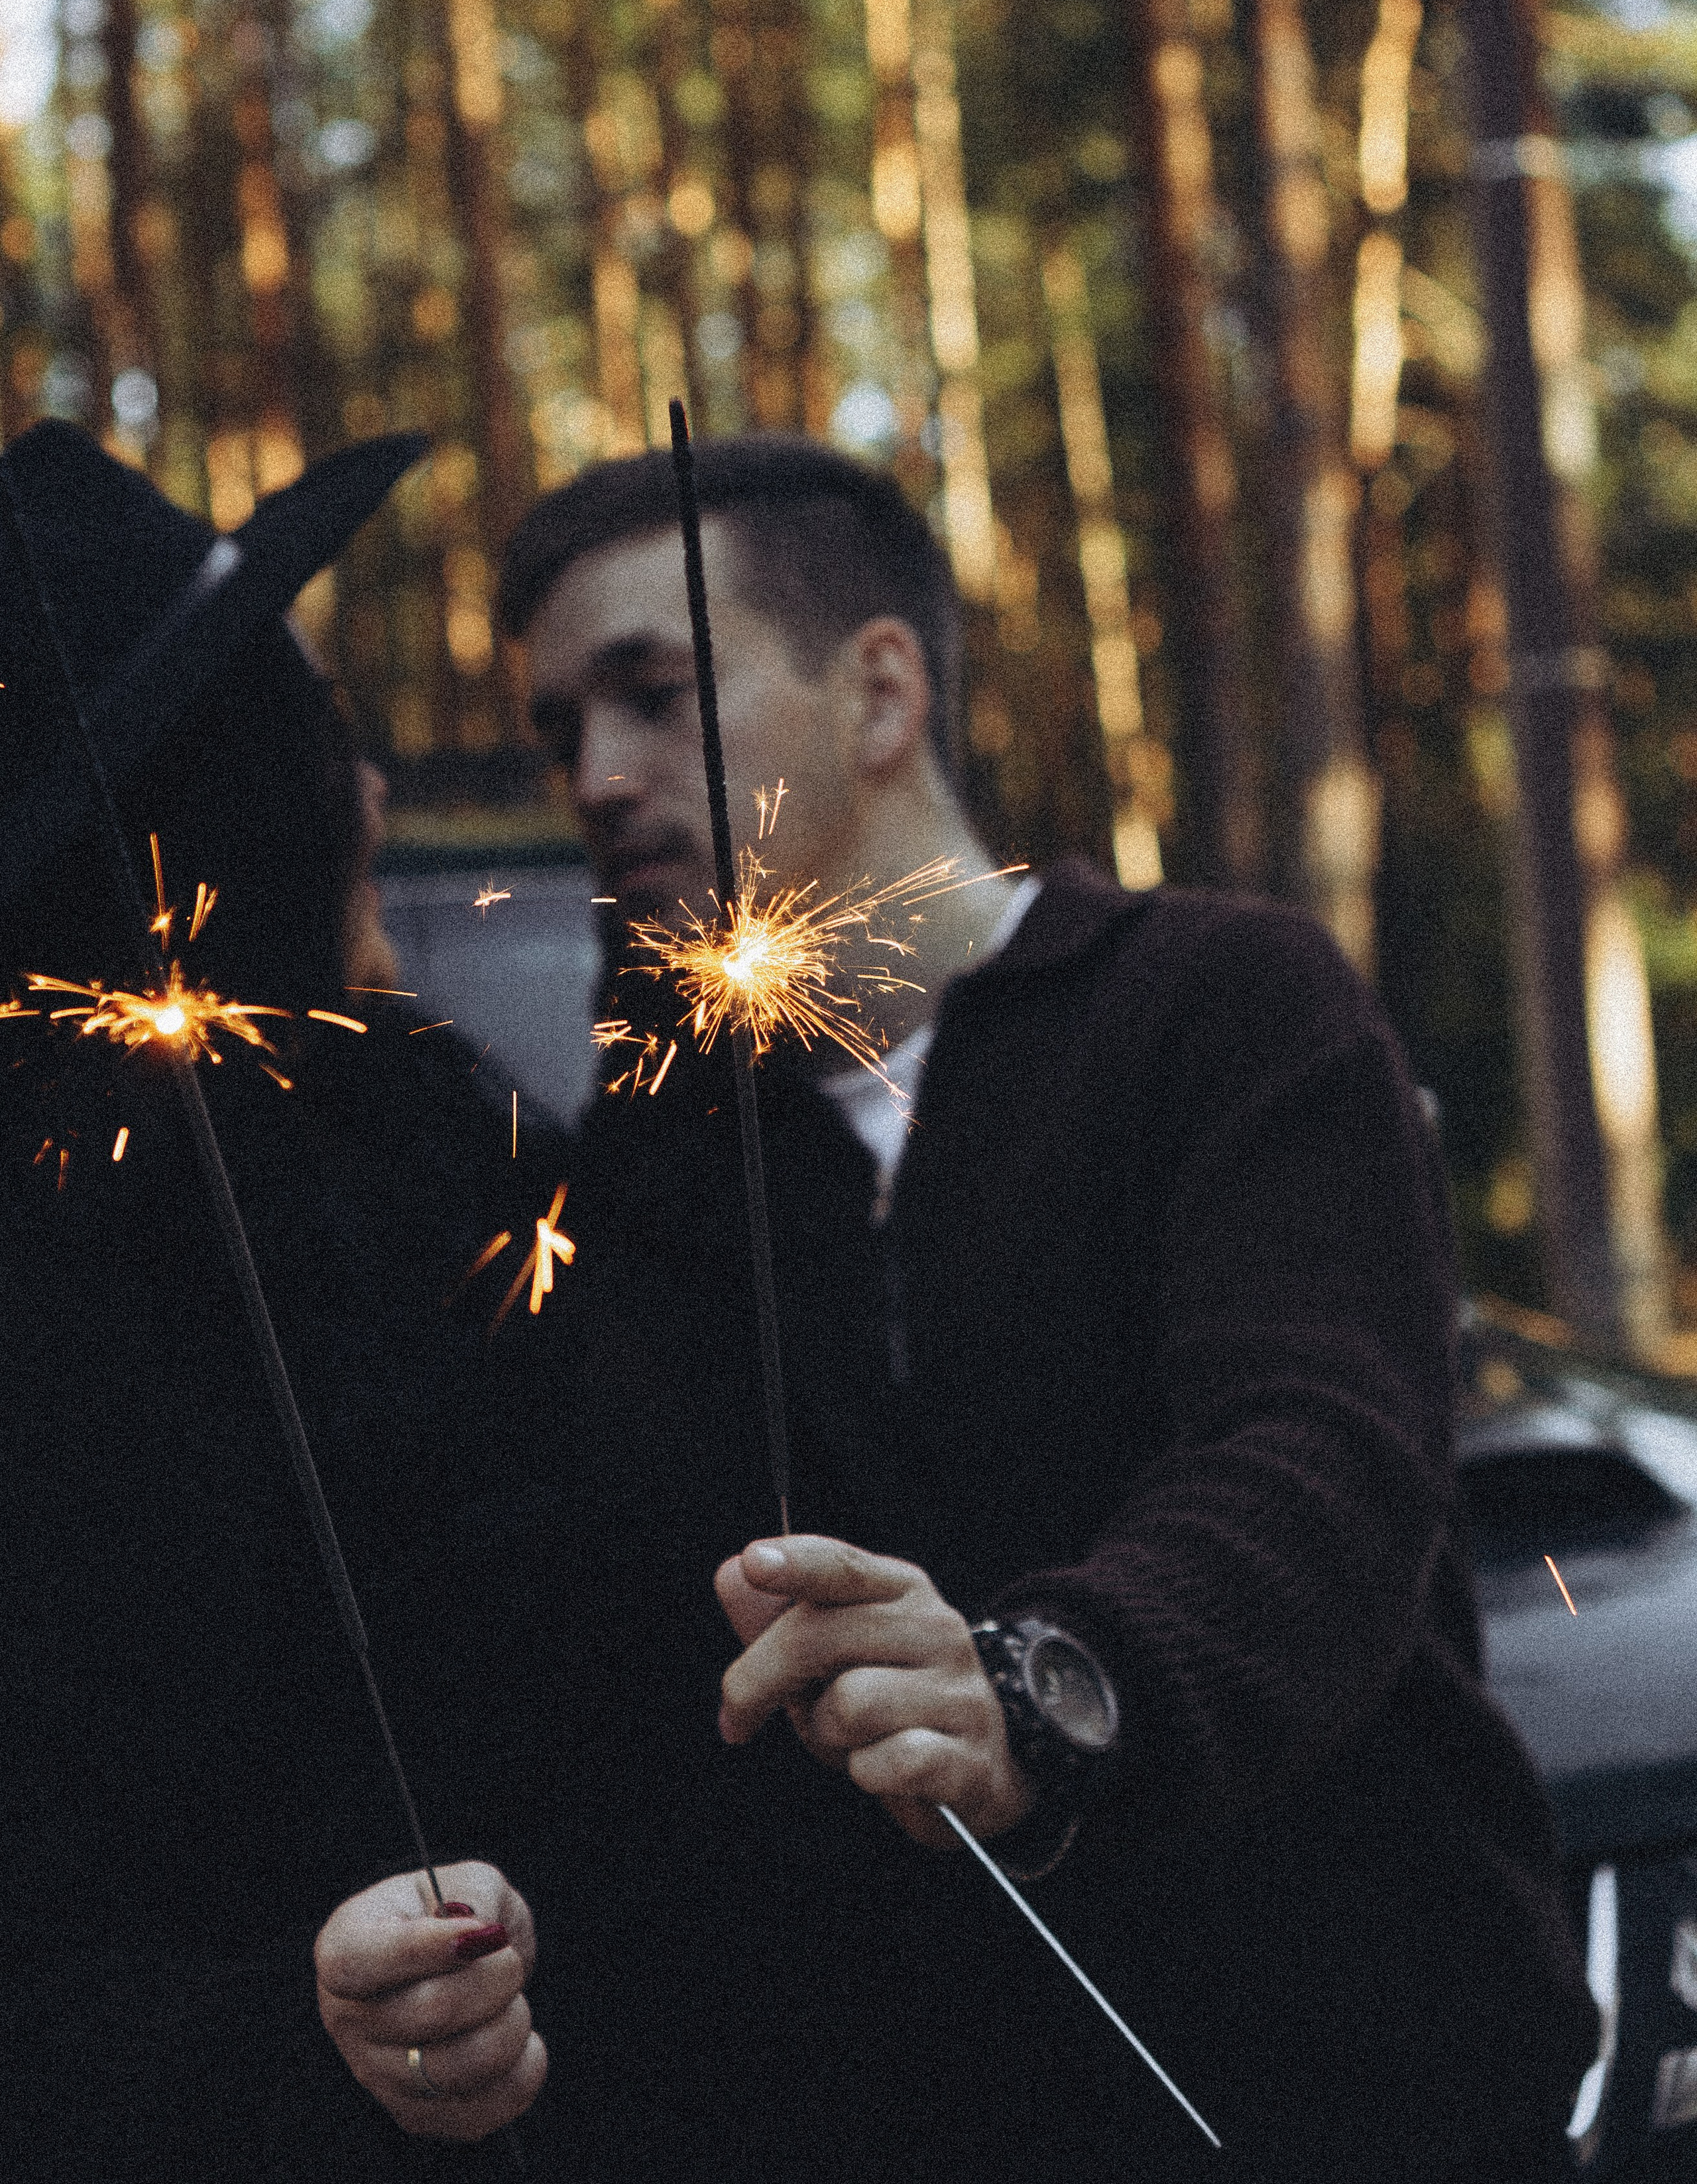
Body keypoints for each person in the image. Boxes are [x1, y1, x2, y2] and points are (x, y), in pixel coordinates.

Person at [318, 434, 1598, 2182]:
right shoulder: (674, 1163)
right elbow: (581, 1635)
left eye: (657, 695)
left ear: (882, 688)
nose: (599, 780)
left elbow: (1321, 1455)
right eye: (564, 733)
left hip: (1353, 2087)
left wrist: (1048, 1688)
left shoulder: (1220, 1005)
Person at [0, 420, 552, 2180]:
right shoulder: (83, 1309)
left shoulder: (447, 1148)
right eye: (320, 731)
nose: (373, 793)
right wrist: (297, 2036)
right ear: (241, 795)